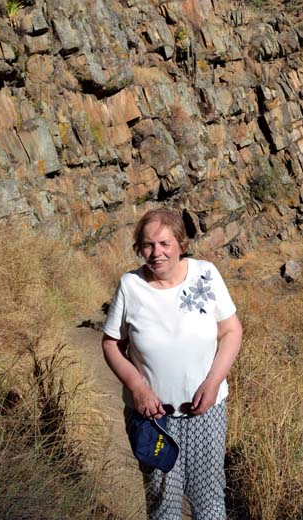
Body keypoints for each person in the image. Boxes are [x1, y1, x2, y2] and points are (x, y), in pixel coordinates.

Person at [102, 208, 243, 520]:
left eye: (165, 243)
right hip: (154, 419)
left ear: (181, 244)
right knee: (163, 502)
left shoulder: (206, 274)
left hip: (206, 412)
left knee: (209, 499)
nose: (157, 253)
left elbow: (232, 331)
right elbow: (112, 343)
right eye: (148, 245)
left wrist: (213, 382)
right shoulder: (130, 286)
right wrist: (137, 388)